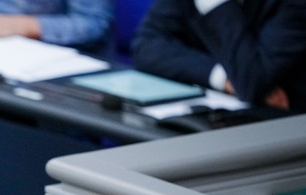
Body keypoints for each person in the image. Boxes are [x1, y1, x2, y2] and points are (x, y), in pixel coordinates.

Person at [131, 0, 306, 113]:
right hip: (214, 112)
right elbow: (145, 46)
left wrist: (217, 5)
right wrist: (222, 78)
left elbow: (251, 80)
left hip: (282, 126)